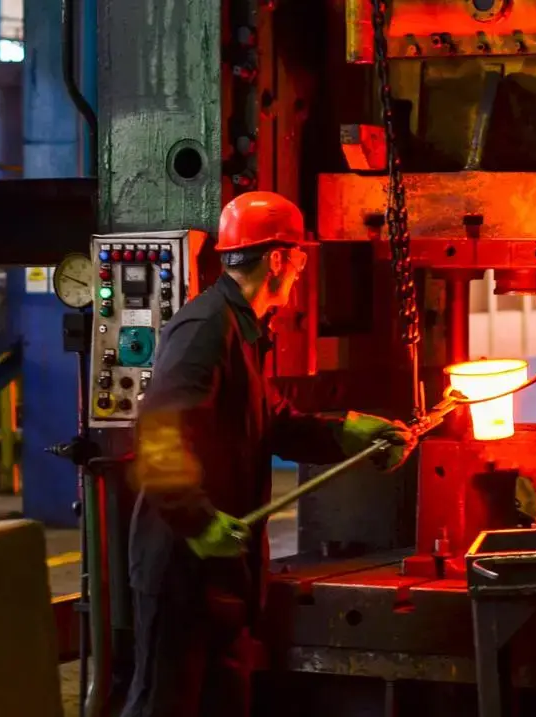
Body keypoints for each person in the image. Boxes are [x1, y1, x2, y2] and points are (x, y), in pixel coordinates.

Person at [120, 191, 417, 717]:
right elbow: (158, 436)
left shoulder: (244, 329)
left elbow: (272, 422)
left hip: (221, 572)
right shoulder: (204, 328)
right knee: (165, 707)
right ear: (276, 259)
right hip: (182, 570)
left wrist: (347, 433)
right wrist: (197, 522)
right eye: (299, 258)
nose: (301, 272)